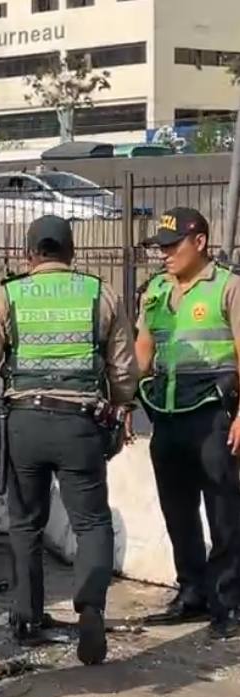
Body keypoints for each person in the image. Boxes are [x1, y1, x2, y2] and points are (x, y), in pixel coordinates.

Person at [0, 215, 138, 665]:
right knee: (91, 522)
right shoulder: (100, 292)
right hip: (79, 424)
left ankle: (26, 615)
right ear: (72, 253)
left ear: (29, 254)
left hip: (25, 423)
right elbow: (124, 369)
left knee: (26, 523)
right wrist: (123, 400)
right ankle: (90, 607)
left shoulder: (11, 293)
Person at [134, 207, 240, 638]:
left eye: (171, 246)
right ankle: (192, 592)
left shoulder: (228, 287)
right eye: (159, 248)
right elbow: (143, 350)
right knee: (177, 511)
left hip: (214, 415)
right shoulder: (156, 290)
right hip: (168, 416)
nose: (164, 255)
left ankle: (228, 601)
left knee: (224, 512)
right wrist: (125, 399)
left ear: (199, 242)